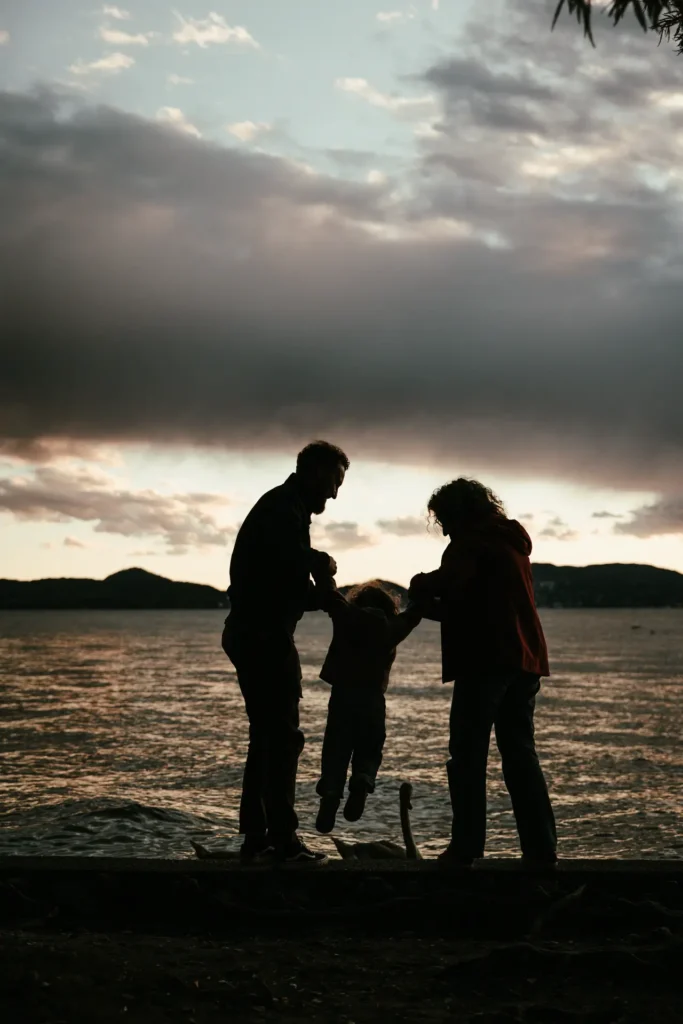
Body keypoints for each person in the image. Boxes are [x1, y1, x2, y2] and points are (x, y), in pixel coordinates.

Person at [409, 478, 557, 868]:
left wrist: (419, 590)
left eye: (443, 518)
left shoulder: (470, 543)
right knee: (520, 753)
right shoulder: (510, 540)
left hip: (486, 657)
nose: (442, 527)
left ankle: (467, 846)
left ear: (458, 512)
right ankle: (541, 850)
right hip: (525, 659)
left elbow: (456, 598)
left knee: (467, 754)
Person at [222, 440, 349, 866]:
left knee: (266, 739)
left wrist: (321, 586)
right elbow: (291, 572)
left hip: (254, 632)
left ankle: (257, 839)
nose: (334, 493)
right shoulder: (282, 510)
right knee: (282, 739)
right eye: (334, 481)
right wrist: (323, 569)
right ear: (314, 473)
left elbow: (286, 580)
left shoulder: (286, 508)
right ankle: (283, 841)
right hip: (263, 637)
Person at [313, 579, 422, 833]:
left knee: (336, 749)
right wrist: (422, 594)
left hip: (342, 696)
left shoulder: (345, 616)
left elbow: (330, 596)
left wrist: (324, 571)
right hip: (373, 699)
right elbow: (414, 615)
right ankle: (362, 780)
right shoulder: (393, 627)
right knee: (370, 748)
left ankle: (330, 792)